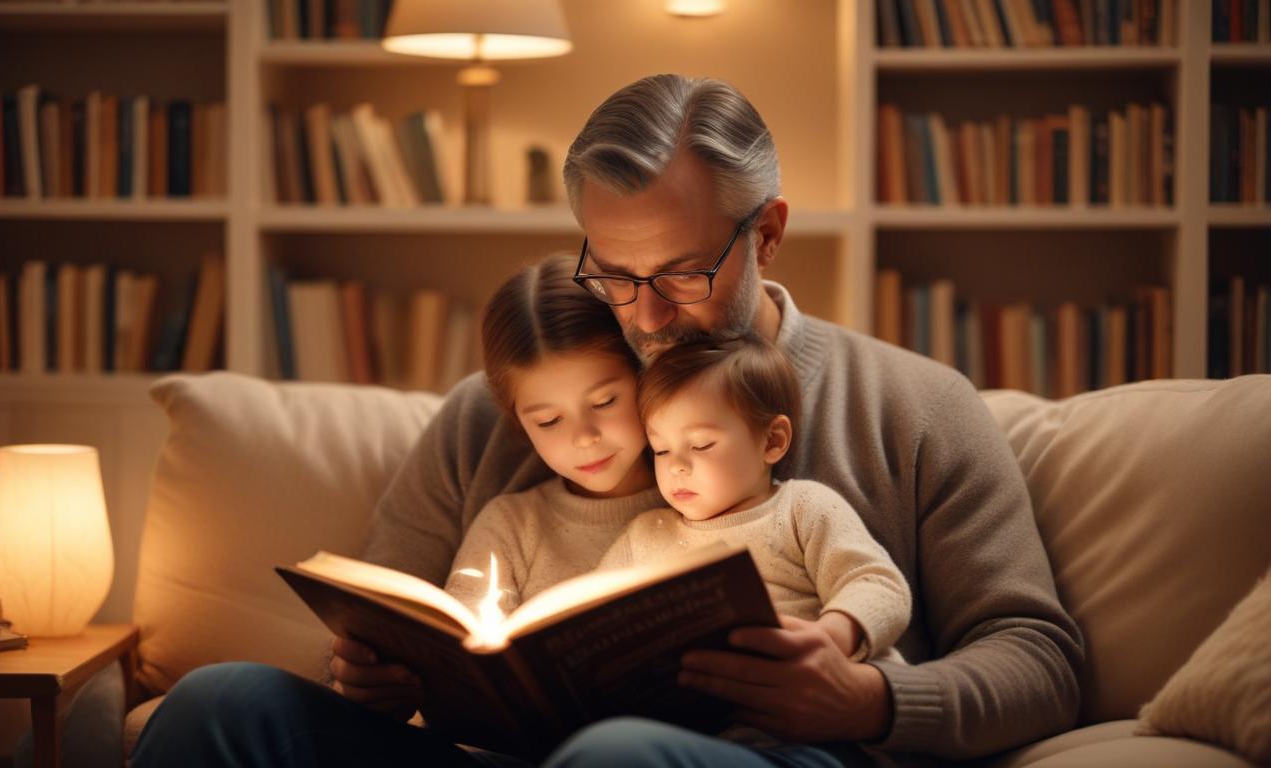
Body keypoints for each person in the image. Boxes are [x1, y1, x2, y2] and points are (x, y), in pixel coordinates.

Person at [133, 74, 1085, 768]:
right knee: (223, 703)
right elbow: (392, 610)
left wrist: (869, 699)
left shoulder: (916, 408)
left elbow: (1039, 662)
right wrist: (375, 676)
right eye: (614, 274)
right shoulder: (499, 415)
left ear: (767, 233)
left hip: (756, 758)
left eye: (680, 272)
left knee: (622, 757)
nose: (646, 315)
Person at [598, 334, 909, 672]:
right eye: (660, 449)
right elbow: (590, 616)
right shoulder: (644, 535)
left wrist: (831, 636)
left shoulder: (801, 508)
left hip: (811, 696)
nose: (676, 466)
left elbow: (878, 583)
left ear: (772, 441)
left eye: (701, 445)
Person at [442, 253, 665, 616]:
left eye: (605, 401)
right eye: (548, 421)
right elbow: (464, 630)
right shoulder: (510, 526)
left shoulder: (704, 500)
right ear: (518, 422)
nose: (584, 437)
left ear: (645, 378)